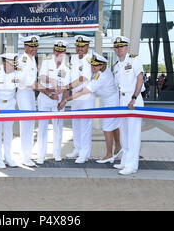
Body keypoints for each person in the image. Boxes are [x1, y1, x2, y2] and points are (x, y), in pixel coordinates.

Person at [59, 52, 122, 164]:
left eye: (95, 65)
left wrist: (66, 99)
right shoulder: (100, 71)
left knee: (107, 127)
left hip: (111, 101)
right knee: (114, 124)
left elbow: (83, 91)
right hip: (106, 99)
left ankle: (109, 154)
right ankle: (118, 147)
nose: (92, 67)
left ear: (102, 65)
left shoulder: (101, 76)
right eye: (92, 64)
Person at [112, 36, 145, 175]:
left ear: (126, 48)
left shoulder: (134, 59)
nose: (119, 49)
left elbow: (140, 79)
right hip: (123, 100)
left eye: (122, 47)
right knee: (125, 133)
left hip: (134, 99)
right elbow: (118, 87)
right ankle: (125, 161)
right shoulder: (117, 65)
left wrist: (134, 98)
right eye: (117, 47)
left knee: (133, 134)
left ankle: (132, 165)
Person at [36, 40, 71, 164]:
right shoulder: (46, 62)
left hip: (58, 100)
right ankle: (41, 155)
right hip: (45, 98)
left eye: (61, 51)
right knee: (42, 127)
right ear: (53, 50)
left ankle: (57, 153)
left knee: (58, 127)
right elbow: (41, 79)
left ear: (65, 52)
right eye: (56, 50)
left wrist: (63, 101)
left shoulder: (67, 68)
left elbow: (67, 87)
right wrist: (50, 92)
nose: (58, 53)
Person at [65, 35, 95, 163]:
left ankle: (84, 153)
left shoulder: (91, 59)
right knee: (76, 125)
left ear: (87, 46)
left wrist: (66, 87)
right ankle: (77, 148)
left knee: (85, 126)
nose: (80, 48)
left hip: (86, 97)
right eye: (78, 46)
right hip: (75, 97)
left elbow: (83, 78)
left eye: (83, 46)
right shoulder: (73, 58)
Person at [16, 35, 40, 167]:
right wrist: (45, 90)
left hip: (30, 94)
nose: (34, 49)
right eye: (31, 46)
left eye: (36, 46)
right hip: (24, 92)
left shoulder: (32, 59)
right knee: (26, 124)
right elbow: (25, 81)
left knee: (30, 124)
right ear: (25, 46)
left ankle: (27, 153)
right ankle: (25, 156)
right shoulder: (23, 60)